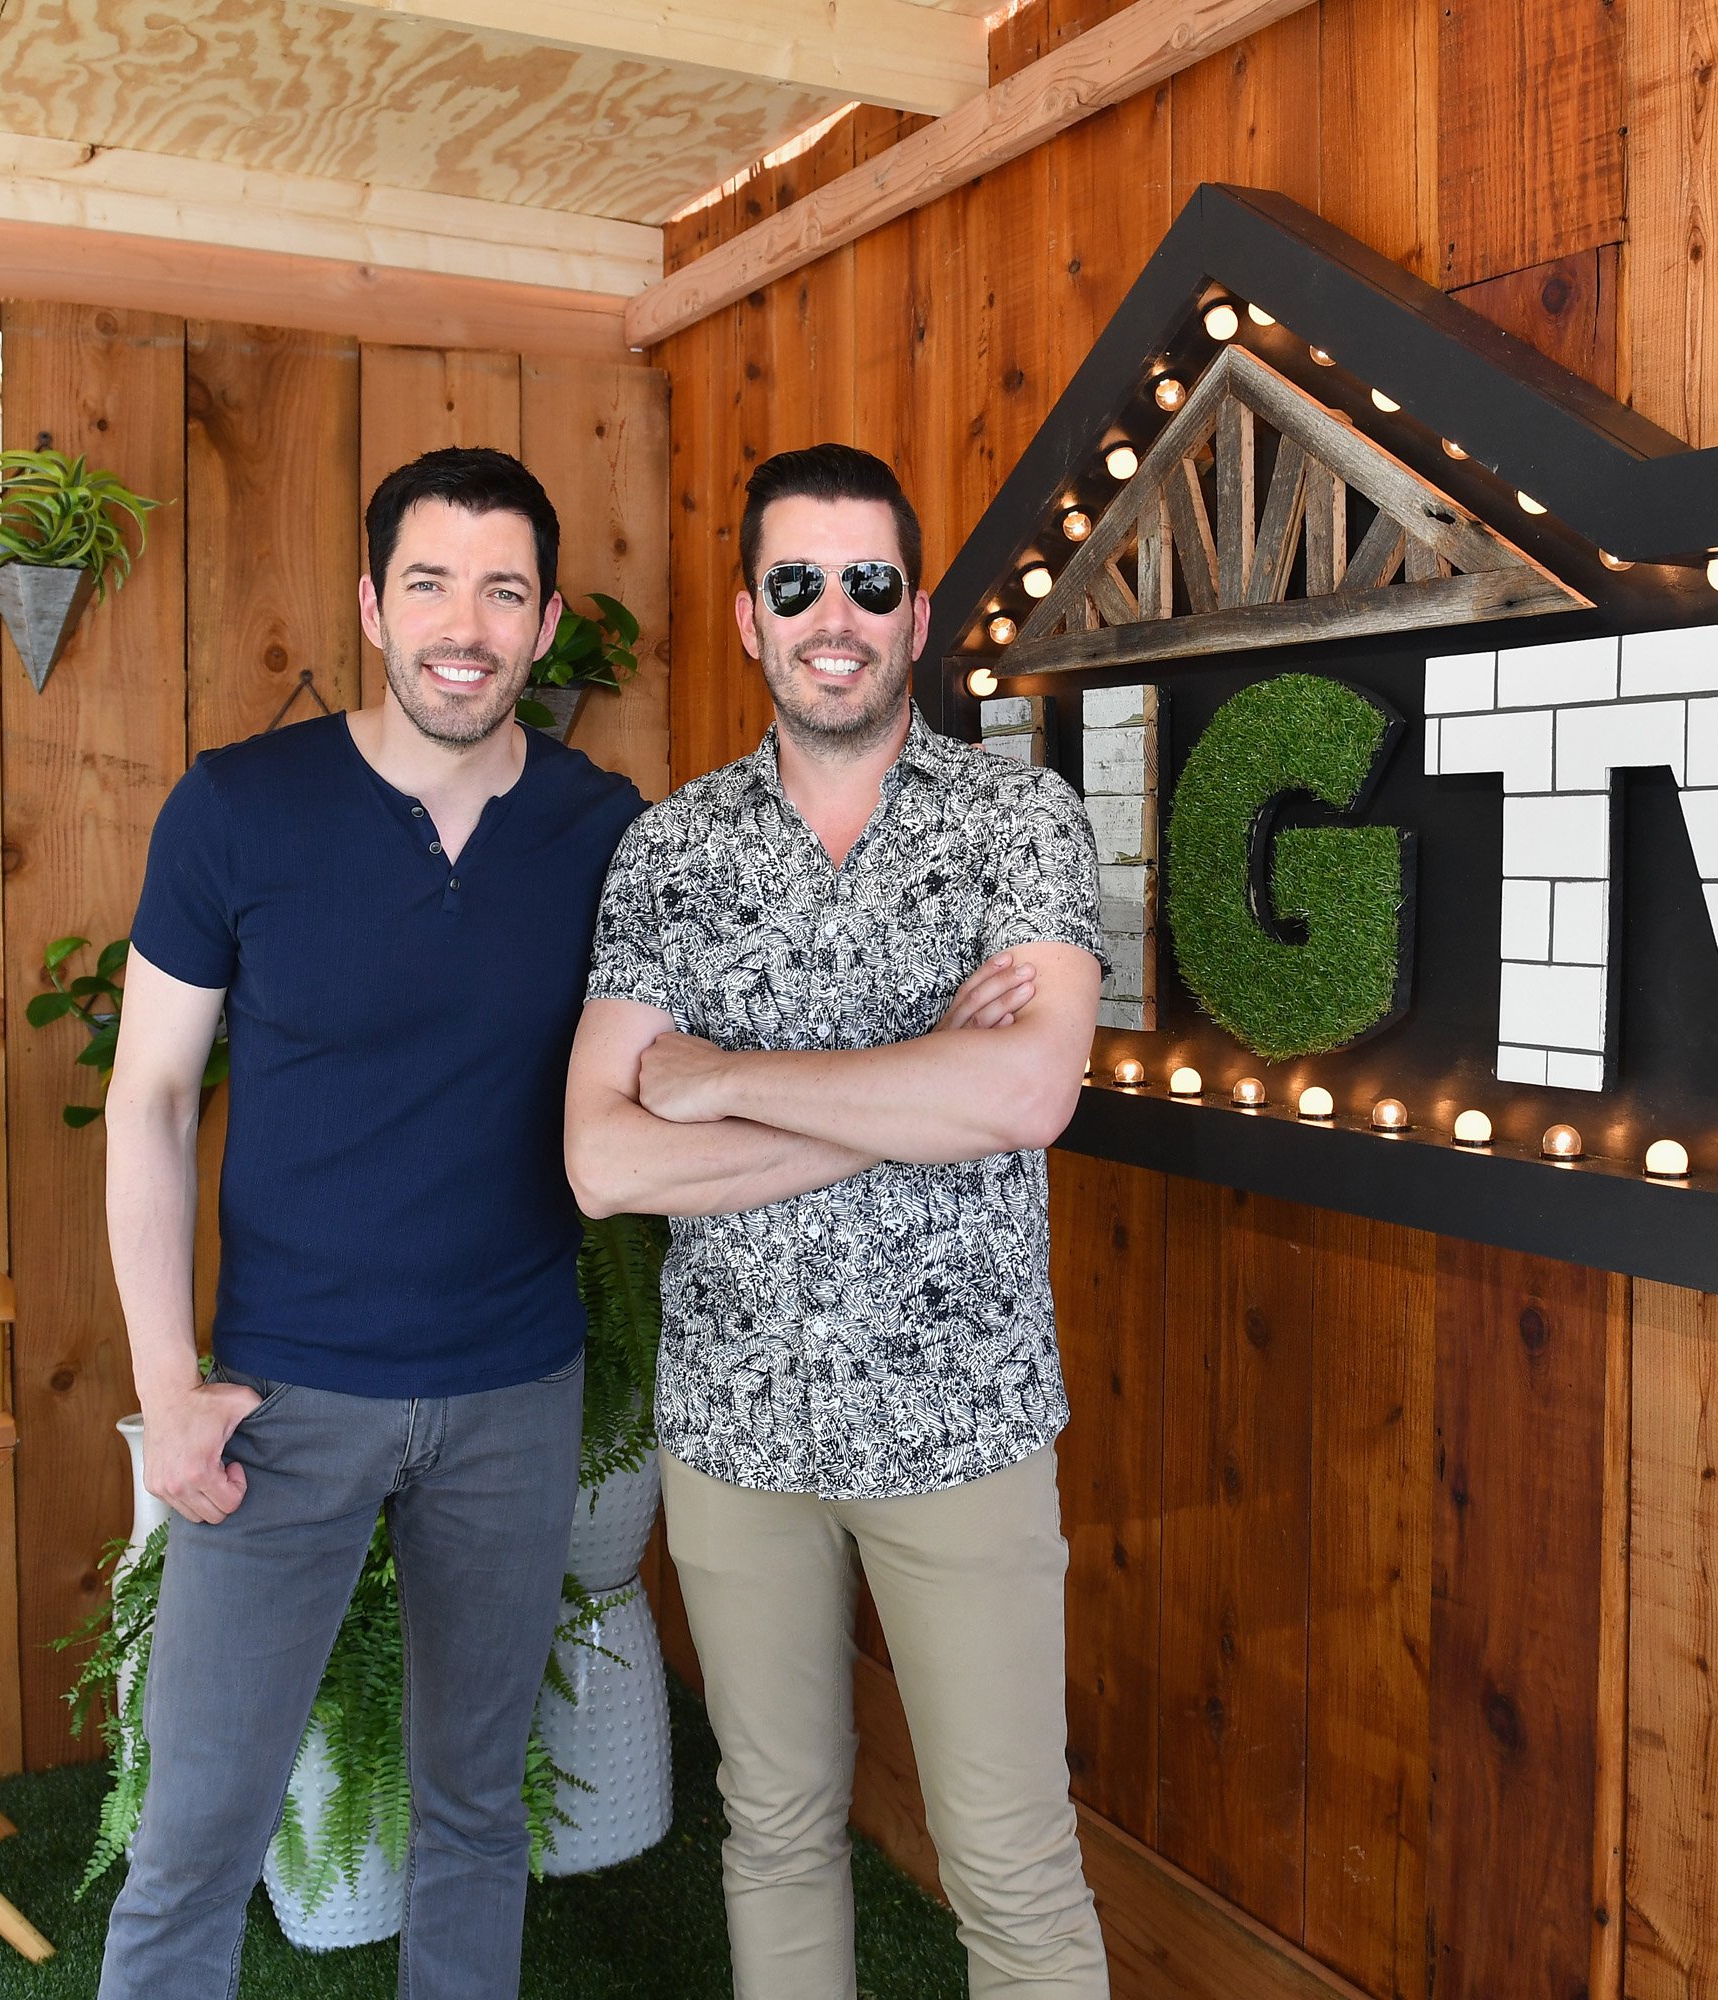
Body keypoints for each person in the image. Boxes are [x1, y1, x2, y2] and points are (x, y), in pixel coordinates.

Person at [96, 448, 645, 2000]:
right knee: (198, 1828)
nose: (462, 624)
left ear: (543, 625)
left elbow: (709, 1033)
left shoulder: (606, 831)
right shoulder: (236, 811)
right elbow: (147, 1104)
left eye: (501, 589)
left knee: (475, 1814)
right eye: (429, 583)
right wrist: (165, 1393)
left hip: (516, 1392)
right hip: (282, 1401)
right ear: (372, 605)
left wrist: (936, 1025)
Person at [565, 442, 1112, 1998]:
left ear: (917, 613)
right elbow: (604, 1161)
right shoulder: (669, 852)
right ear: (750, 618)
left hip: (965, 1424)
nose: (835, 614)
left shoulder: (1019, 823)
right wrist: (912, 1079)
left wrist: (723, 1077)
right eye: (796, 583)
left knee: (1010, 1862)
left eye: (869, 583)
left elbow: (1022, 1101)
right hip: (733, 1431)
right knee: (778, 1828)